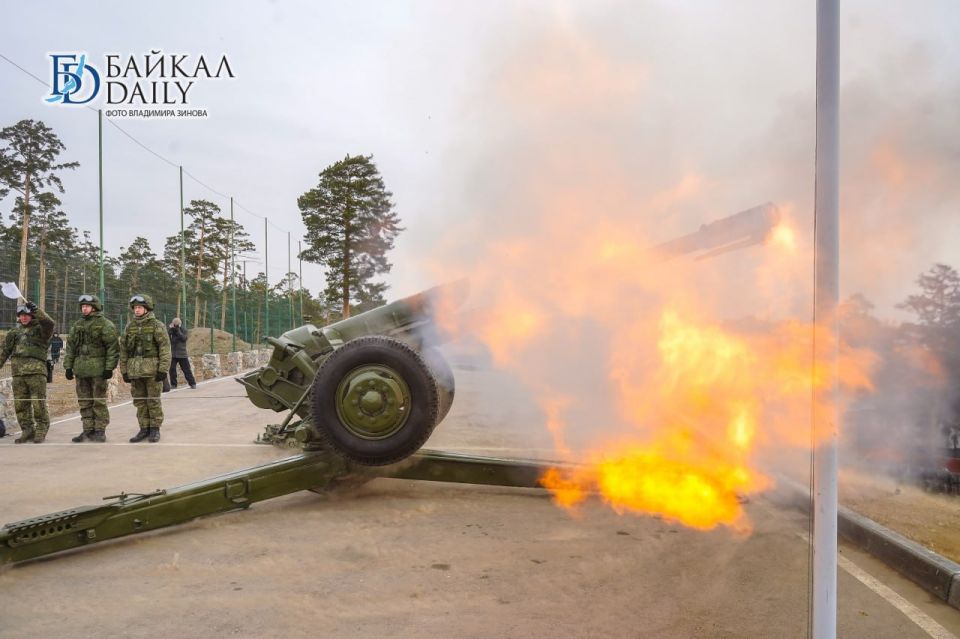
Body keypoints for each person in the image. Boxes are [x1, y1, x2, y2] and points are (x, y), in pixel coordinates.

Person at [62, 294, 119, 443]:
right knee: (84, 401)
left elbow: (112, 348)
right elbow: (71, 348)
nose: (84, 309)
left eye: (87, 306)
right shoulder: (77, 325)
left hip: (98, 370)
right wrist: (68, 367)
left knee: (98, 401)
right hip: (81, 370)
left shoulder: (105, 324)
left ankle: (100, 430)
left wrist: (109, 368)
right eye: (82, 306)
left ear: (94, 307)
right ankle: (87, 429)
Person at [119, 294, 171, 443]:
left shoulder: (157, 325)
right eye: (135, 307)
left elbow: (165, 348)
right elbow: (123, 350)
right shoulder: (130, 327)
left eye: (140, 307)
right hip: (135, 372)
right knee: (140, 402)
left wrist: (163, 369)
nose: (136, 310)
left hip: (152, 371)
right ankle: (143, 429)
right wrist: (124, 371)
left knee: (153, 401)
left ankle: (155, 429)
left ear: (147, 308)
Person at [0, 301, 54, 443]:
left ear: (32, 316)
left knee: (38, 403)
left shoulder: (40, 330)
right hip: (18, 374)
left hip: (36, 372)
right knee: (21, 404)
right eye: (21, 315)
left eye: (27, 315)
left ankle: (41, 429)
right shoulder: (14, 333)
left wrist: (37, 311)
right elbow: (4, 352)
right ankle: (27, 430)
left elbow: (49, 323)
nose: (24, 317)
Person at [167, 317, 196, 389]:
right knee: (172, 369)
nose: (175, 325)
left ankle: (192, 383)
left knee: (186, 369)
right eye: (174, 324)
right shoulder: (172, 330)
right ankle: (173, 384)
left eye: (177, 324)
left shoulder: (184, 330)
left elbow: (183, 338)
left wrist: (177, 330)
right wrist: (170, 329)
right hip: (173, 354)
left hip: (182, 354)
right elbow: (168, 338)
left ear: (180, 324)